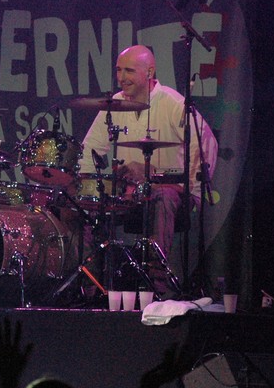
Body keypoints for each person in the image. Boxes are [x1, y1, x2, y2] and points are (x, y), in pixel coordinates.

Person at [80, 44, 218, 290]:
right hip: (128, 193)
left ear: (150, 72)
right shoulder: (115, 104)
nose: (122, 77)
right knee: (81, 203)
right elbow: (90, 148)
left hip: (170, 193)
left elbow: (206, 144)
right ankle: (90, 285)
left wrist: (188, 188)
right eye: (119, 70)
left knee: (162, 196)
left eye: (129, 71)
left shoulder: (173, 103)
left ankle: (157, 285)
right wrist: (85, 185)